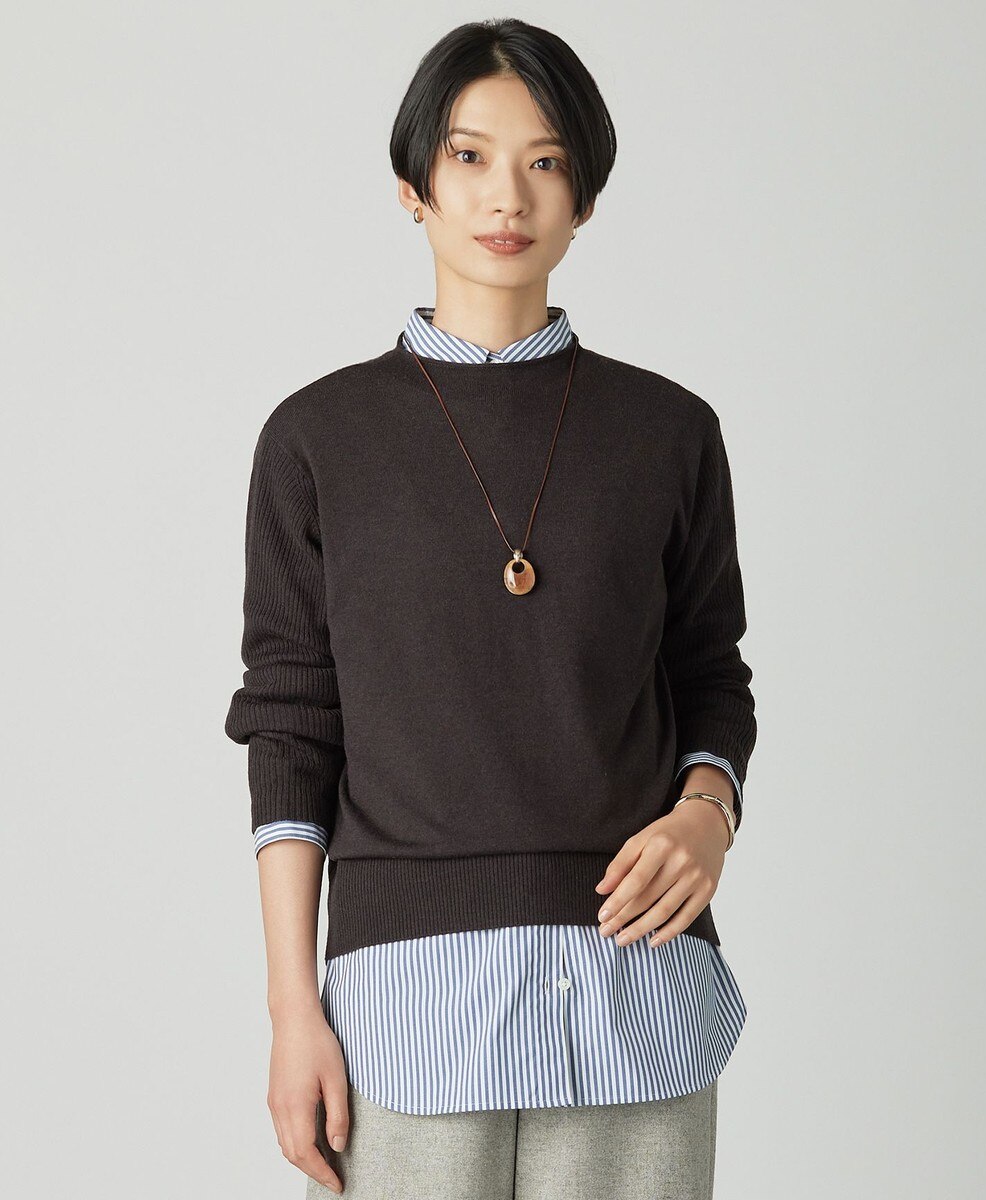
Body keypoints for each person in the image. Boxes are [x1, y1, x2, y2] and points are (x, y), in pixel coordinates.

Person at [225, 17, 756, 1199]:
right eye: (468, 156)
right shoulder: (316, 440)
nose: (506, 195)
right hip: (404, 1014)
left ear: (585, 196)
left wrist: (708, 812)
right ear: (412, 184)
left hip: (636, 994)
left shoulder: (670, 433)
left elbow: (708, 672)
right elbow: (292, 728)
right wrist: (292, 1011)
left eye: (545, 160)